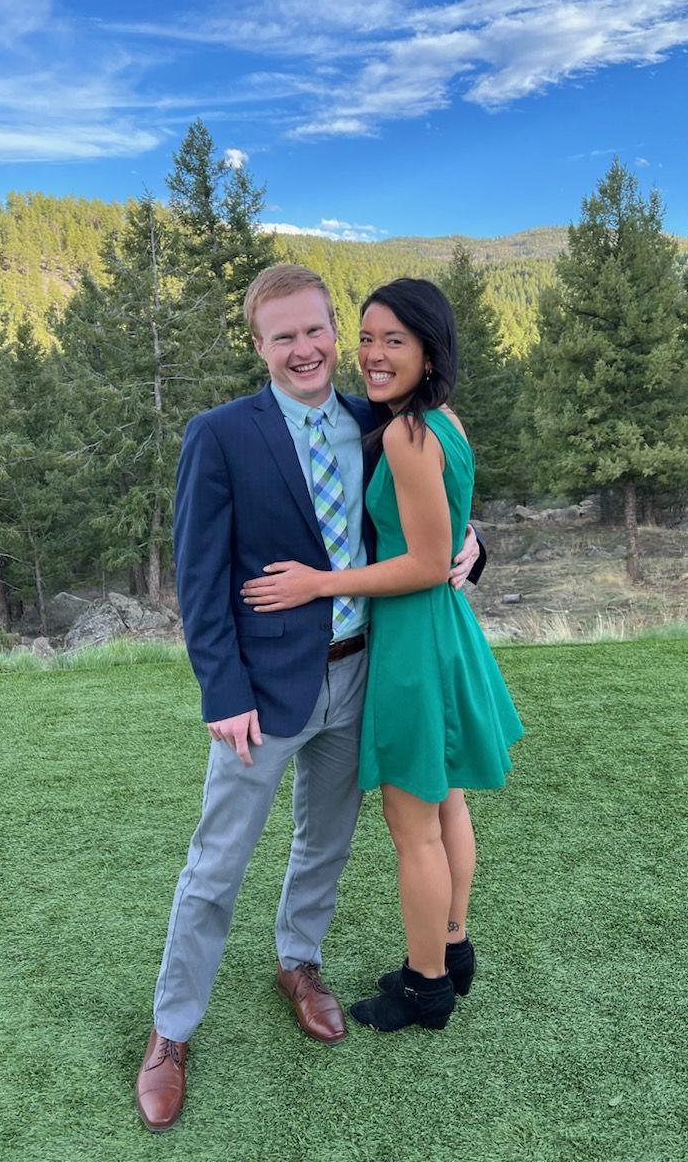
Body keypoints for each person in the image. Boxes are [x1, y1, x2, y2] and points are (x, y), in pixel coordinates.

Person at [135, 265, 486, 1133]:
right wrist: (223, 692)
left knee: (324, 843)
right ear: (258, 344)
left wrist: (477, 542)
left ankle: (299, 962)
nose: (305, 349)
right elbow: (198, 577)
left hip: (362, 674)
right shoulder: (219, 435)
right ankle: (172, 1031)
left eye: (316, 330)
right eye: (283, 335)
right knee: (216, 867)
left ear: (335, 331)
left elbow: (426, 514)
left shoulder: (376, 420)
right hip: (260, 695)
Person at [241, 277, 524, 1034]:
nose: (372, 354)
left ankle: (426, 985)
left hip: (411, 642)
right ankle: (453, 947)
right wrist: (466, 541)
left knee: (413, 825)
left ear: (430, 350)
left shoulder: (405, 435)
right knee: (447, 799)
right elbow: (448, 531)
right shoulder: (440, 421)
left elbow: (429, 561)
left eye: (393, 340)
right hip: (442, 631)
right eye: (365, 338)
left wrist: (318, 583)